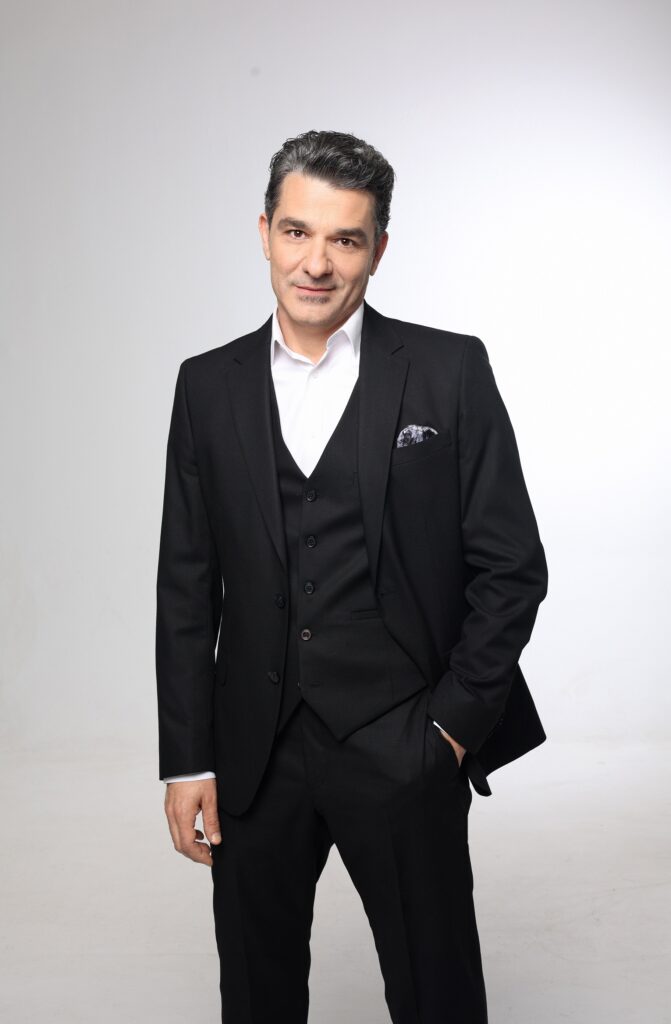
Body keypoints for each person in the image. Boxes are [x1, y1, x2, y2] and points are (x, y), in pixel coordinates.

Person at [155, 129, 548, 1023]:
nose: (316, 263)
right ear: (264, 232)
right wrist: (187, 761)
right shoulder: (206, 385)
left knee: (436, 993)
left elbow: (510, 566)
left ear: (378, 248)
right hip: (252, 752)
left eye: (344, 239)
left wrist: (449, 729)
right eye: (297, 232)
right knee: (255, 996)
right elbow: (186, 585)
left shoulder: (447, 370)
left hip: (403, 740)